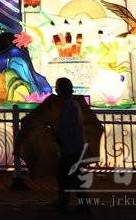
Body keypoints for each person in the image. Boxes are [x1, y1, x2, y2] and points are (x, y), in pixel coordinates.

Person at [51, 77, 90, 215]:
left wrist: (58, 136)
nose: (56, 89)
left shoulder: (68, 106)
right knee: (70, 177)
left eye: (57, 86)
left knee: (67, 177)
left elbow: (67, 128)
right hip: (74, 147)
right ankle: (71, 202)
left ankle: (73, 204)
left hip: (70, 148)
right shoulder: (73, 104)